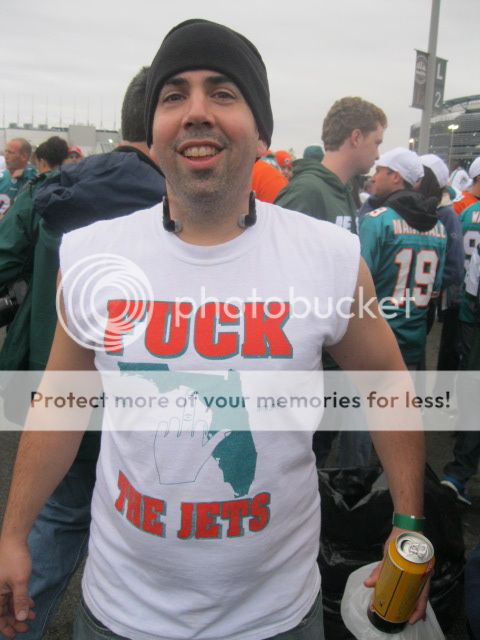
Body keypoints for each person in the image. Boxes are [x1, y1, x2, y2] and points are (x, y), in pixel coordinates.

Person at [0, 19, 427, 640]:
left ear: (262, 132)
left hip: (276, 617)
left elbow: (386, 382)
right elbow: (61, 403)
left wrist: (408, 521)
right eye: (174, 95)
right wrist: (13, 533)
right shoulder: (93, 255)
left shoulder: (329, 258)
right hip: (120, 614)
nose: (196, 111)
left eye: (223, 92)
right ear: (153, 132)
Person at [0, 68, 166, 640]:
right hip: (134, 394)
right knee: (146, 529)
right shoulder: (178, 200)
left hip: (48, 381)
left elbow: (4, 259)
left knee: (56, 517)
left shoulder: (49, 187)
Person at [360, 148, 447, 369]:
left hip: (377, 341)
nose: (374, 177)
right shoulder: (439, 226)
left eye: (379, 170)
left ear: (396, 176)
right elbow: (435, 291)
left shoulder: (376, 221)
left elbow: (359, 288)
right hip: (415, 339)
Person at [275, 96, 387, 233]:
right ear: (356, 138)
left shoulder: (342, 190)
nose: (378, 155)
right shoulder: (305, 192)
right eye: (376, 143)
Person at [418, 154, 464, 371]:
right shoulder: (416, 209)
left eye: (420, 176)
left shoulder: (446, 214)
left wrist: (428, 287)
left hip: (424, 301)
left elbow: (454, 267)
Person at [0, 139, 37, 217]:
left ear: (24, 157)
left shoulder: (33, 177)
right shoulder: (2, 177)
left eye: (11, 152)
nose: (6, 156)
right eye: (6, 151)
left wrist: (26, 172)